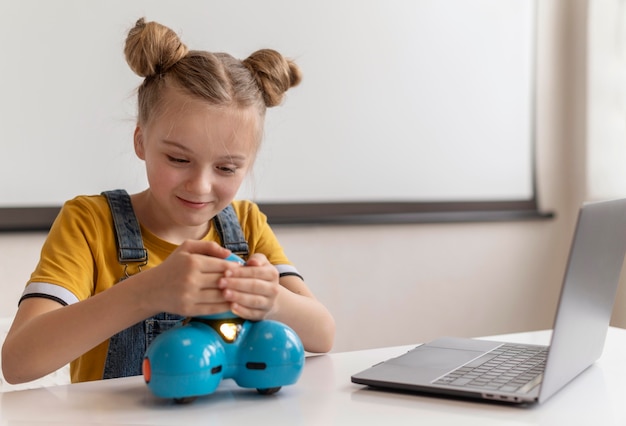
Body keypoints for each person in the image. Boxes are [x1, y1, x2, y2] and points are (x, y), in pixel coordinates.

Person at [1, 18, 335, 385]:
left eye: (226, 167)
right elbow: (18, 362)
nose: (200, 185)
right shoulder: (89, 222)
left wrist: (272, 302)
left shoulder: (246, 223)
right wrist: (148, 292)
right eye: (178, 159)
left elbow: (322, 335)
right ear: (141, 141)